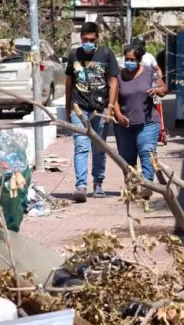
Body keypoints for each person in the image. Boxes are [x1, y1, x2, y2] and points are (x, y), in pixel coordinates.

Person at [65, 21, 119, 203]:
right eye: (84, 39)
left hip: (101, 109)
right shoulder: (74, 55)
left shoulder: (106, 54)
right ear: (80, 39)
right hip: (78, 109)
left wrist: (110, 108)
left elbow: (113, 83)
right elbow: (69, 84)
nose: (88, 42)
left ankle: (98, 183)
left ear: (97, 38)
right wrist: (67, 109)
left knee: (99, 148)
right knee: (81, 146)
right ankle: (81, 186)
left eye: (91, 39)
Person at [114, 44, 168, 200]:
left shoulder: (149, 73)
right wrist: (118, 115)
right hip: (124, 125)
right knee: (127, 158)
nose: (129, 62)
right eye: (126, 59)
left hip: (148, 122)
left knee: (146, 152)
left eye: (132, 59)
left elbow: (164, 89)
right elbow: (114, 99)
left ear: (139, 60)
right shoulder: (118, 76)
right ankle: (132, 186)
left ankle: (147, 185)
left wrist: (157, 90)